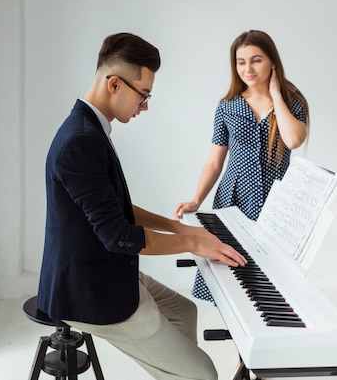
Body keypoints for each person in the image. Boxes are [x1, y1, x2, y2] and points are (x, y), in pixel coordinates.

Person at [36, 32, 247, 380]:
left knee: (183, 311)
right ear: (115, 84)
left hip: (101, 270)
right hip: (86, 290)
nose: (145, 106)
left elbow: (114, 206)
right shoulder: (80, 141)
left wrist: (179, 227)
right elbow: (119, 237)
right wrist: (195, 243)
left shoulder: (89, 129)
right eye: (144, 95)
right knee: (204, 374)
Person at [174, 30, 310, 303]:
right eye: (241, 62)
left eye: (256, 60)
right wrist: (196, 199)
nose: (247, 68)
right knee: (232, 273)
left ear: (273, 62)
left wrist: (276, 95)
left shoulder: (293, 104)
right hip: (234, 199)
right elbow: (215, 161)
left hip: (276, 203)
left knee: (271, 279)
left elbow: (294, 140)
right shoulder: (227, 107)